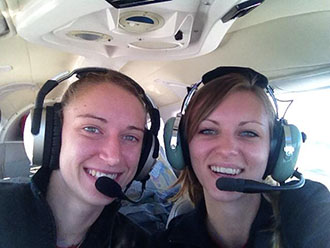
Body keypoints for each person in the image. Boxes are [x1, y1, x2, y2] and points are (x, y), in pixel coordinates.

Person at [157, 66, 330, 247]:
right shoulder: (173, 239)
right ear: (182, 145)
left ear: (275, 149)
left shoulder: (307, 210)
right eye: (208, 130)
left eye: (248, 133)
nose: (227, 149)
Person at [0, 68, 160, 248]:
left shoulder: (139, 243)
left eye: (131, 137)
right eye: (91, 129)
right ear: (52, 136)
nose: (113, 157)